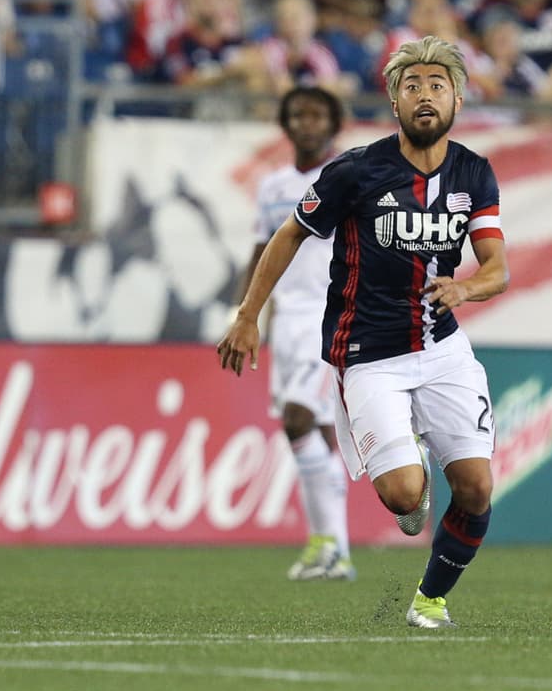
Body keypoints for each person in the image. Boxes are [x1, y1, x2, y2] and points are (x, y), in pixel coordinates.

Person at [218, 36, 509, 630]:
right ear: (393, 102)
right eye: (411, 86)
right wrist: (248, 314)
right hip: (368, 356)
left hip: (444, 348)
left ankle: (429, 601)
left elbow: (497, 269)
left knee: (477, 489)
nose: (424, 94)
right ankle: (411, 470)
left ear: (457, 98)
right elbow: (288, 235)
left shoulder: (475, 174)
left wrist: (466, 288)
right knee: (405, 498)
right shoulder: (355, 170)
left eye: (437, 85)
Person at [237, 86, 353, 581]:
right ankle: (334, 552)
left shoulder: (349, 178)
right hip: (287, 319)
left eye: (318, 115)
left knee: (298, 418)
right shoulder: (273, 186)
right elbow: (263, 252)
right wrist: (247, 315)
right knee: (318, 434)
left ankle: (328, 545)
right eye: (298, 115)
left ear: (334, 123)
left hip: (329, 318)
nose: (308, 123)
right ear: (285, 125)